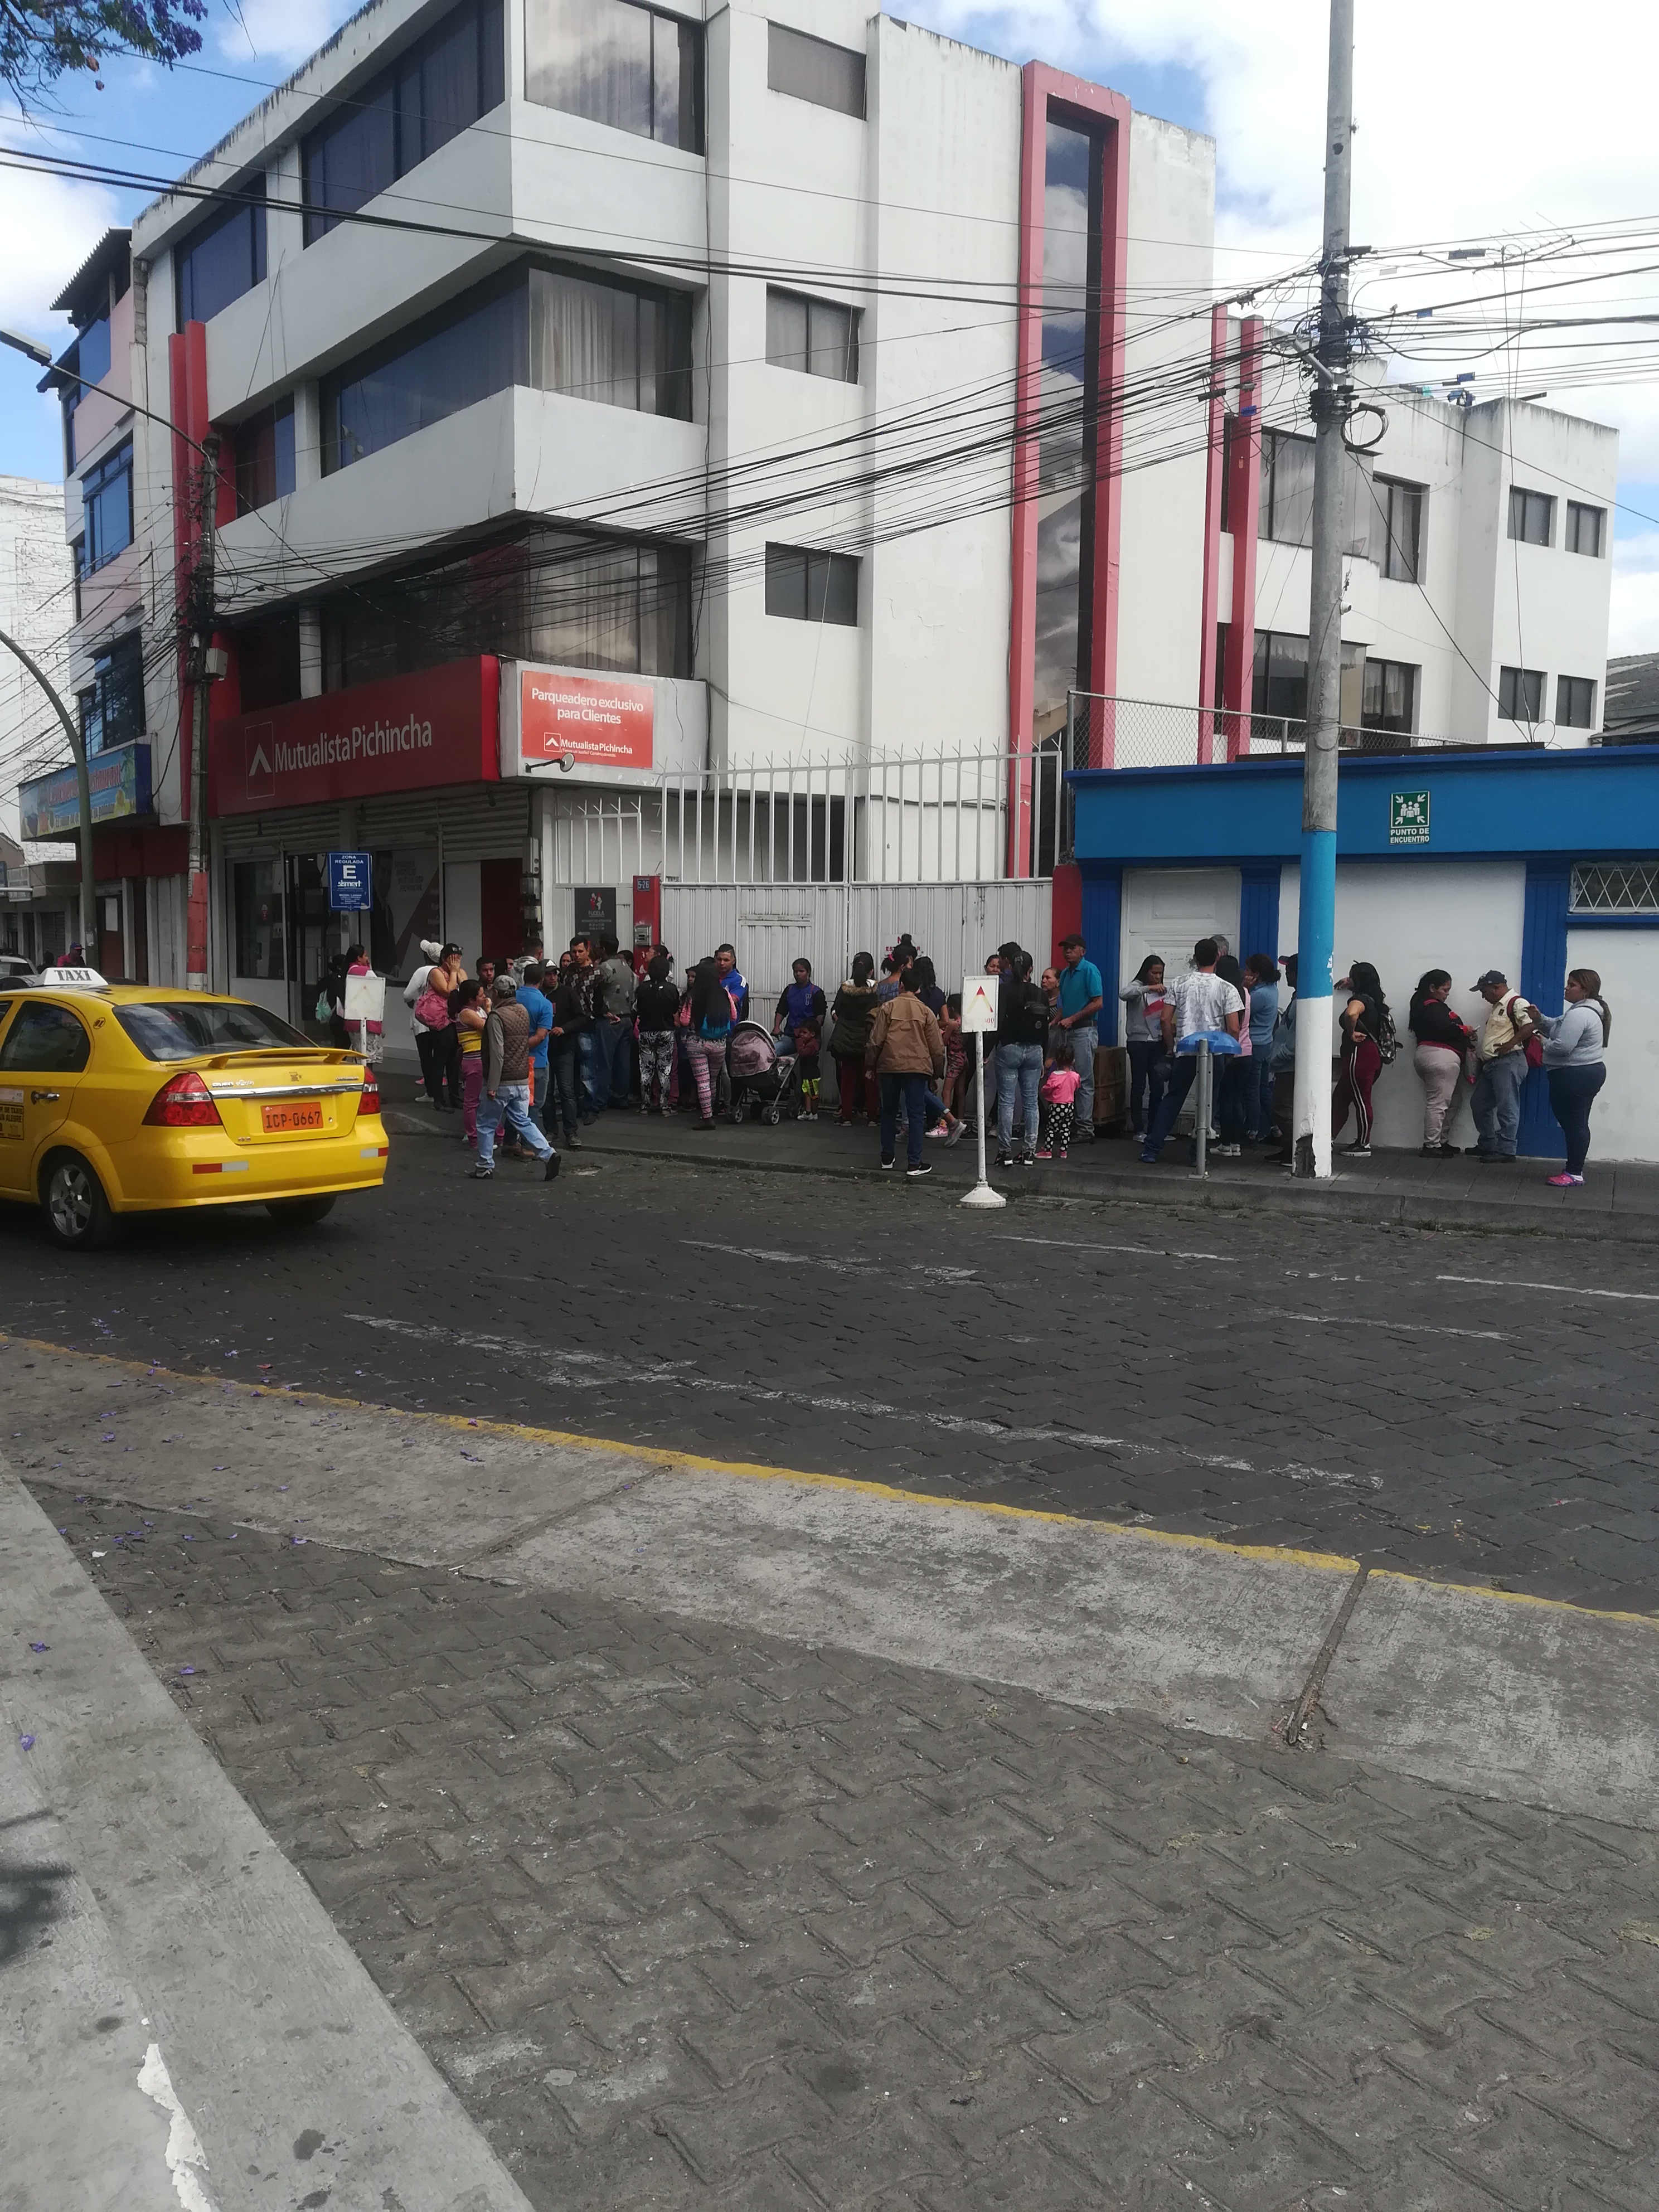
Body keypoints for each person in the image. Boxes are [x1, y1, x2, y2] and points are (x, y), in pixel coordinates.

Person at [1139, 938, 1243, 1163]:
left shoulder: (1179, 983)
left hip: (1185, 1050)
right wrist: (1229, 1053)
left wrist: (1171, 1047)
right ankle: (1198, 1154)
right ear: (1218, 957)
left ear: (1195, 959)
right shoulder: (1227, 988)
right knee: (1208, 1103)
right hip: (1214, 1053)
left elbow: (1165, 1019)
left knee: (1173, 1098)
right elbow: (1234, 1028)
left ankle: (1152, 1149)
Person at [471, 974, 560, 1181]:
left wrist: (492, 1085)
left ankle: (485, 1165)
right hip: (521, 1077)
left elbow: (497, 1052)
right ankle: (548, 1153)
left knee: (486, 1123)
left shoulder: (496, 1017)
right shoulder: (522, 1011)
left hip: (503, 1079)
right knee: (523, 1120)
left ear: (496, 993)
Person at [866, 967, 945, 1178]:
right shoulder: (926, 1012)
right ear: (918, 989)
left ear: (901, 986)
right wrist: (936, 1073)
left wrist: (870, 1065)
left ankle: (887, 1158)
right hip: (917, 1069)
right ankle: (914, 1163)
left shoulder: (887, 1008)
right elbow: (937, 1048)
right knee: (916, 1115)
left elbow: (875, 1041)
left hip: (890, 1066)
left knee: (889, 1112)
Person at [1539, 968, 1610, 1186]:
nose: (1566, 988)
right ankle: (1574, 1170)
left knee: (1575, 1125)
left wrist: (1543, 1043)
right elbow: (1556, 1026)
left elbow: (1563, 1047)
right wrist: (1538, 1019)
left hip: (1574, 1076)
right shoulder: (1584, 1010)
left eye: (1572, 985)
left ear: (1585, 990)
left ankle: (1574, 1173)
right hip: (1587, 1073)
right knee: (1577, 1124)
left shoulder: (1580, 1014)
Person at [1469, 968, 1536, 1165]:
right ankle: (1488, 1143)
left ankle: (1507, 1149)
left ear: (1497, 987)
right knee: (1479, 1104)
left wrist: (1510, 1044)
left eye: (1484, 991)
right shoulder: (1497, 1007)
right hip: (1493, 1064)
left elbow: (1531, 1025)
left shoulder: (1517, 1003)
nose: (1483, 996)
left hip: (1508, 1061)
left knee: (1507, 1106)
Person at [1408, 970, 1477, 1156]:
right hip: (1441, 1057)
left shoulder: (1422, 1006)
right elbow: (1444, 1028)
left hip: (1430, 1056)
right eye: (1445, 990)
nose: (1447, 994)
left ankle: (1440, 1141)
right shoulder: (1433, 1007)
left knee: (1453, 1100)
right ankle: (1432, 1145)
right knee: (1439, 1103)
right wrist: (1464, 1030)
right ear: (1432, 988)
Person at [995, 942, 1049, 1168]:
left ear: (1010, 966)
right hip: (1034, 1050)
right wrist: (1044, 1054)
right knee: (1031, 1102)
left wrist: (987, 1051)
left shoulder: (1005, 990)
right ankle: (1029, 1152)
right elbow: (1045, 1028)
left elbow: (998, 1022)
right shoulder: (1040, 993)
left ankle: (1005, 1152)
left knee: (1007, 1101)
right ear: (1031, 969)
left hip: (1009, 1049)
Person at [1331, 960, 1390, 1159]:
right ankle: (1328, 1138)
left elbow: (1351, 1014)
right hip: (1369, 1055)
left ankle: (1364, 1144)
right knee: (1340, 1099)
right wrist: (1349, 983)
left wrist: (1351, 1033)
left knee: (1361, 1100)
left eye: (1352, 977)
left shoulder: (1360, 1000)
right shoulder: (1373, 1000)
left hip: (1360, 1055)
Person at [1054, 933, 1104, 1139]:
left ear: (1083, 951)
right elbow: (1064, 1004)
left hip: (1084, 1030)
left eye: (1073, 948)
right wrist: (1057, 1019)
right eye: (1066, 948)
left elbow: (1098, 1003)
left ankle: (1085, 1129)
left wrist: (1072, 1019)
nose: (1068, 951)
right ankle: (1071, 1125)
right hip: (1068, 1030)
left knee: (1083, 1080)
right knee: (1067, 1079)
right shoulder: (1066, 974)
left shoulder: (1090, 970)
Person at [546, 944, 593, 1148]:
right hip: (544, 1050)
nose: (552, 978)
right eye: (548, 974)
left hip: (565, 1048)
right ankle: (550, 1130)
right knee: (546, 1093)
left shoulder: (566, 992)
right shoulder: (539, 994)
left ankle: (571, 1132)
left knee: (567, 1091)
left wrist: (564, 1029)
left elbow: (581, 1017)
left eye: (555, 974)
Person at [1121, 955, 1168, 1139]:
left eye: (1160, 974)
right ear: (1146, 971)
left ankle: (1155, 1129)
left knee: (1158, 1086)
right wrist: (1148, 988)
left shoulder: (1162, 991)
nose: (1157, 977)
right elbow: (1123, 994)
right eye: (1154, 973)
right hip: (1138, 1042)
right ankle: (1138, 1129)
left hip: (1157, 1042)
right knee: (1139, 1085)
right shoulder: (1138, 986)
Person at [686, 958, 736, 1127]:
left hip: (697, 1043)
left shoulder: (692, 996)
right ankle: (712, 1111)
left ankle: (707, 1118)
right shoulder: (724, 994)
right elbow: (734, 1016)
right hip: (719, 1044)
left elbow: (685, 1021)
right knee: (713, 1081)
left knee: (702, 1082)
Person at [590, 933, 638, 1110]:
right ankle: (622, 1098)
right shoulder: (627, 967)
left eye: (597, 946)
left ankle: (600, 1101)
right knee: (623, 1062)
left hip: (609, 1020)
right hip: (626, 1019)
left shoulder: (604, 968)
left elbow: (588, 986)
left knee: (604, 1062)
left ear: (603, 949)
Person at [830, 954, 880, 1124]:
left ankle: (846, 1117)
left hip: (846, 1042)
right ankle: (872, 1117)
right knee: (870, 1079)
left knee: (847, 1080)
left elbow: (835, 1011)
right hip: (867, 1041)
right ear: (871, 971)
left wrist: (843, 1024)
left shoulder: (845, 988)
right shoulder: (875, 990)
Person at [1213, 953, 1253, 1158]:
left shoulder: (1223, 992)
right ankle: (1236, 1144)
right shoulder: (1246, 992)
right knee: (1237, 1099)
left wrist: (1228, 1052)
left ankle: (1226, 1144)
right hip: (1247, 1052)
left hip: (1229, 1051)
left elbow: (1231, 1027)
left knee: (1225, 1099)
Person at [1263, 953, 1299, 1167]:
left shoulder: (1302, 1002)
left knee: (1281, 1107)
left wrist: (1278, 1057)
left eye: (1289, 971)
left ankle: (1295, 1150)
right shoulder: (1296, 998)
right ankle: (1288, 1148)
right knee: (1282, 1106)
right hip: (1283, 1062)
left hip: (1288, 1064)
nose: (1286, 975)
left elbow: (1295, 1042)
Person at [636, 950, 681, 1115]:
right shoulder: (672, 989)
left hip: (646, 1032)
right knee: (665, 1070)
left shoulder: (642, 988)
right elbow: (675, 1011)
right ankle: (664, 1106)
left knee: (646, 1070)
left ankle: (645, 1105)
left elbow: (638, 1009)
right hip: (666, 1032)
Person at [404, 938, 447, 1105]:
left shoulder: (423, 971)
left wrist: (413, 1002)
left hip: (423, 1021)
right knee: (440, 1058)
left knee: (426, 1057)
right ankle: (442, 1093)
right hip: (442, 1020)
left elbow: (407, 994)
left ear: (426, 956)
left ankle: (431, 1092)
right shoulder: (445, 972)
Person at [1243, 955, 1280, 1141]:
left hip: (1255, 1045)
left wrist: (1244, 989)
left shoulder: (1259, 995)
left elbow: (1241, 1012)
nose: (1245, 972)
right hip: (1266, 1043)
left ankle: (1253, 1130)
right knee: (1264, 1088)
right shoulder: (1272, 989)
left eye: (1248, 969)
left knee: (1252, 1090)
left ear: (1256, 973)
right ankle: (1275, 1126)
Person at [516, 961, 555, 1136]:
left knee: (515, 1103)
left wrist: (513, 1048)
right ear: (541, 979)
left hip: (513, 1061)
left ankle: (511, 1140)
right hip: (537, 1061)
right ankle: (530, 1141)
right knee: (534, 1104)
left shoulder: (512, 998)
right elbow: (540, 1036)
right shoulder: (544, 1004)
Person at [451, 976, 489, 1147]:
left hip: (480, 1059)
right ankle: (473, 1137)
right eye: (481, 995)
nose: (484, 997)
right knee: (472, 1101)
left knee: (483, 1099)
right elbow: (489, 1027)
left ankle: (481, 1132)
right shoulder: (467, 1013)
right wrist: (489, 1010)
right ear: (471, 999)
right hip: (474, 1060)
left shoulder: (477, 1011)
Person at [1036, 1040, 1081, 1162]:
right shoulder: (1075, 1076)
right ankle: (1063, 1150)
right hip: (1070, 1105)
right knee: (1066, 1128)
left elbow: (1047, 1089)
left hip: (1057, 1105)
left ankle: (1047, 1150)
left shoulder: (1055, 1076)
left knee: (1051, 1128)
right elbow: (1077, 1087)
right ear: (1073, 1061)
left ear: (1056, 1060)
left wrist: (1045, 1093)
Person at [773, 958, 827, 1039]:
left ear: (808, 973)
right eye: (795, 971)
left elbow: (820, 1015)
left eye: (801, 971)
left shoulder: (816, 992)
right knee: (777, 1047)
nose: (798, 974)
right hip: (791, 1035)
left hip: (809, 1038)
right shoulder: (789, 990)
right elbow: (781, 1010)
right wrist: (776, 1027)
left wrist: (812, 1033)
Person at [793, 1017, 823, 1118]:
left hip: (811, 1075)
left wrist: (799, 1044)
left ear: (813, 1034)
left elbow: (803, 1053)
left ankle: (814, 1113)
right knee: (807, 1093)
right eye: (801, 1032)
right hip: (807, 1074)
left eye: (805, 1033)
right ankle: (808, 1112)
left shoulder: (812, 1045)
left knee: (813, 1094)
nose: (802, 1035)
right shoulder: (808, 1043)